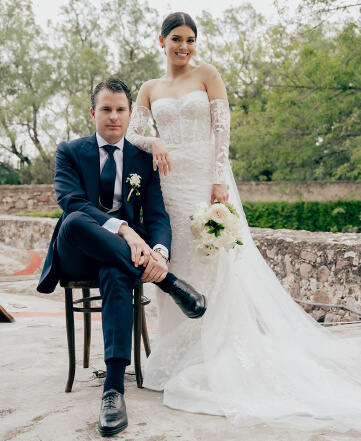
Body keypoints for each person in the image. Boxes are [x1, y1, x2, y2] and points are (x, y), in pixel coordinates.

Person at [126, 11, 361, 432]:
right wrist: (155, 139)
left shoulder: (208, 74)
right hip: (169, 187)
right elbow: (131, 133)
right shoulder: (149, 88)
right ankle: (174, 353)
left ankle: (213, 353)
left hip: (204, 182)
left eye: (190, 40)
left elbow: (223, 128)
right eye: (176, 39)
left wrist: (219, 181)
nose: (184, 47)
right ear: (160, 41)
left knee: (212, 264)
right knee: (176, 266)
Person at [37, 78, 207, 437]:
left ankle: (113, 390)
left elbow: (158, 216)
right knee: (75, 221)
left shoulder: (142, 160)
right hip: (78, 250)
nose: (113, 117)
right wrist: (126, 231)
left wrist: (159, 252)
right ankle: (169, 282)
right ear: (93, 112)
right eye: (106, 109)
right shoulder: (69, 151)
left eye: (120, 110)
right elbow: (71, 202)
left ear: (131, 114)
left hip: (125, 258)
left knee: (116, 273)